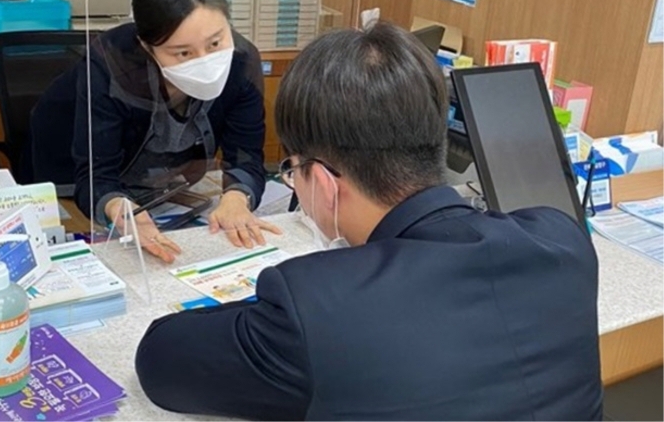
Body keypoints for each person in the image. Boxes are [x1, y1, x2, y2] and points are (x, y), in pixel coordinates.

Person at [134, 22, 603, 420]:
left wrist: (283, 306)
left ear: (321, 179)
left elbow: (159, 359)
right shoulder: (563, 241)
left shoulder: (316, 304)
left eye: (292, 172)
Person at [32, 0, 280, 263]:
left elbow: (247, 156)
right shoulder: (111, 67)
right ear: (147, 47)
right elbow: (95, 176)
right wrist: (116, 207)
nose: (204, 60)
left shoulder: (241, 63)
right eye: (183, 53)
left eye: (215, 42)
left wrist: (237, 196)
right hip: (70, 182)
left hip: (165, 191)